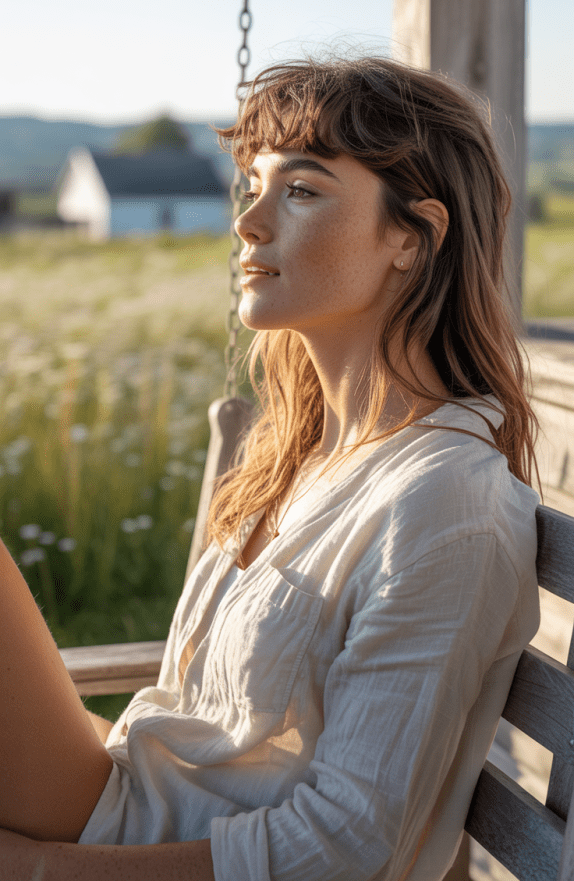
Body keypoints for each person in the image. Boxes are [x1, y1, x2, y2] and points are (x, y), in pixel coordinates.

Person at [0, 54, 542, 881]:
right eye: (251, 185)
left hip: (122, 847)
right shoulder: (303, 452)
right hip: (121, 800)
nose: (249, 223)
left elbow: (343, 848)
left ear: (412, 236)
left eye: (301, 190)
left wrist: (38, 869)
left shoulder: (445, 505)